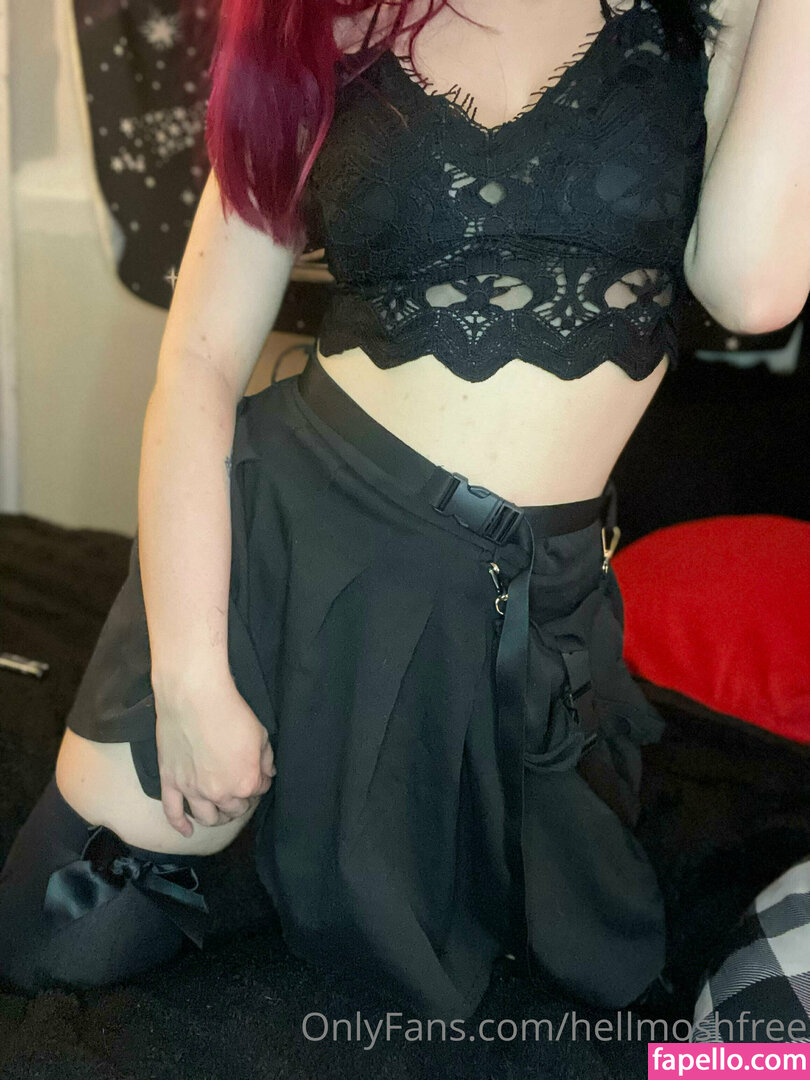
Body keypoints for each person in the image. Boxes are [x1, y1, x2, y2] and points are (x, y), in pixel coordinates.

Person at [0, 0, 764, 1021]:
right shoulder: (309, 25)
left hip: (530, 608)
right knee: (66, 930)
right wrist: (187, 678)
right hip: (297, 542)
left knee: (565, 982)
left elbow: (750, 290)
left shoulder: (706, 12)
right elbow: (199, 361)